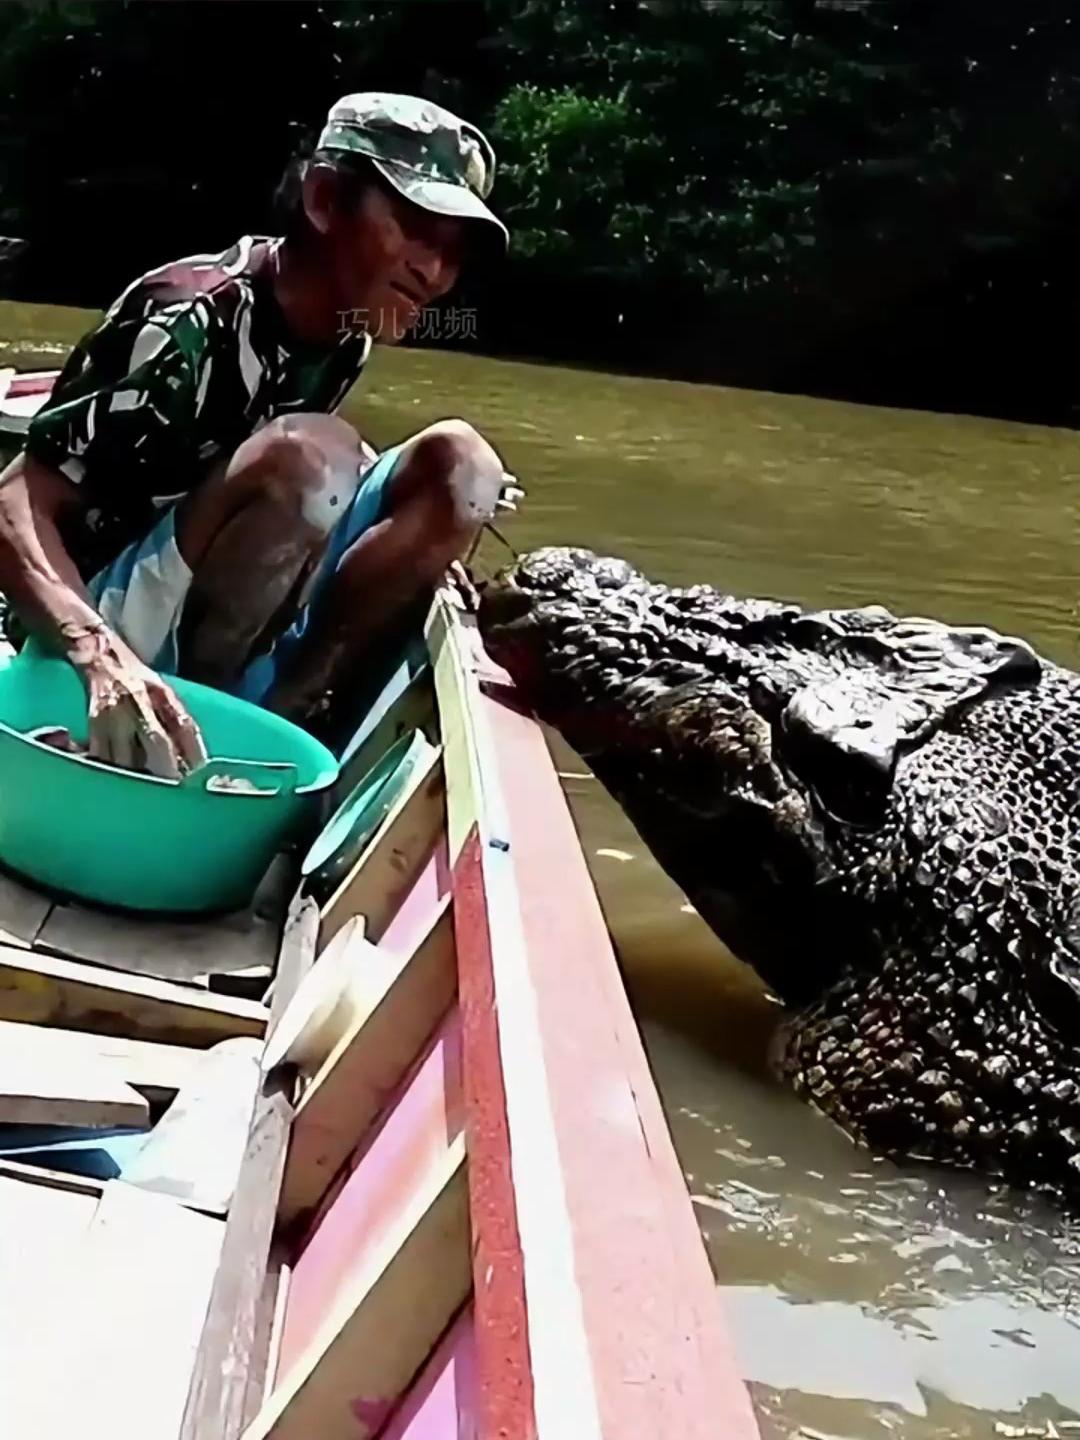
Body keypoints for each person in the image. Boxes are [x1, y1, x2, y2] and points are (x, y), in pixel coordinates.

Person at [0, 93, 518, 776]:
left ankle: (288, 711)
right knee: (313, 460)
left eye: (453, 252)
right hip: (101, 612)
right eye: (415, 229)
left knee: (464, 472)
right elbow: (14, 501)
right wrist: (95, 652)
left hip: (219, 582)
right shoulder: (183, 324)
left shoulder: (345, 332)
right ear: (326, 201)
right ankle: (201, 718)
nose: (435, 273)